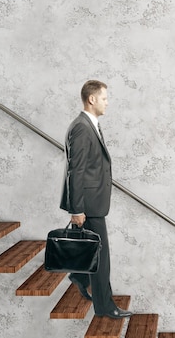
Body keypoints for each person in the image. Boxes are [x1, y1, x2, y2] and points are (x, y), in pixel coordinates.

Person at [59, 79, 132, 319]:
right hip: (89, 205)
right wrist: (77, 209)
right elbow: (76, 170)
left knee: (93, 252)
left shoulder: (90, 125)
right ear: (92, 99)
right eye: (104, 98)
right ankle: (105, 307)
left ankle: (79, 276)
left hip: (93, 202)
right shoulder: (82, 127)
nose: (107, 103)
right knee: (102, 258)